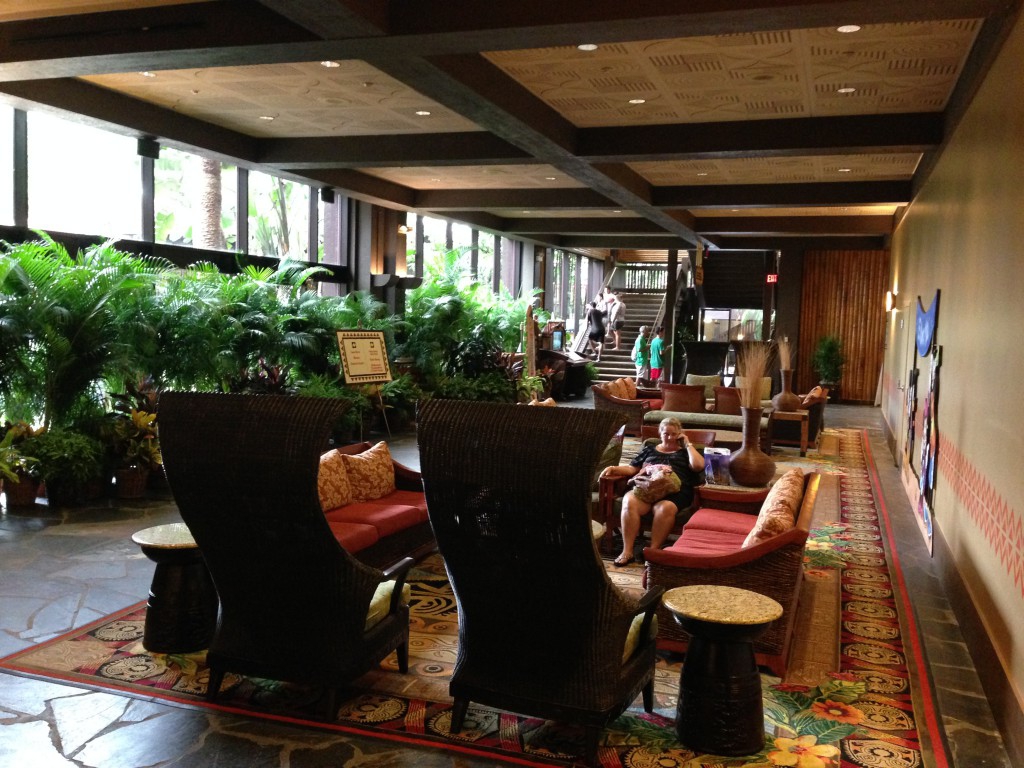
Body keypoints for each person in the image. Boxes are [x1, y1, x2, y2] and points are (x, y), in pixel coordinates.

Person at [601, 417, 705, 567]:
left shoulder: (685, 452)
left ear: (680, 435)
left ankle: (652, 552)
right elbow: (632, 468)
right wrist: (614, 468)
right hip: (647, 488)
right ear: (660, 433)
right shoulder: (649, 449)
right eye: (666, 433)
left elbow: (698, 466)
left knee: (664, 508)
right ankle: (627, 551)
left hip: (675, 492)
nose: (669, 437)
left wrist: (687, 443)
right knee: (629, 501)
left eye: (674, 434)